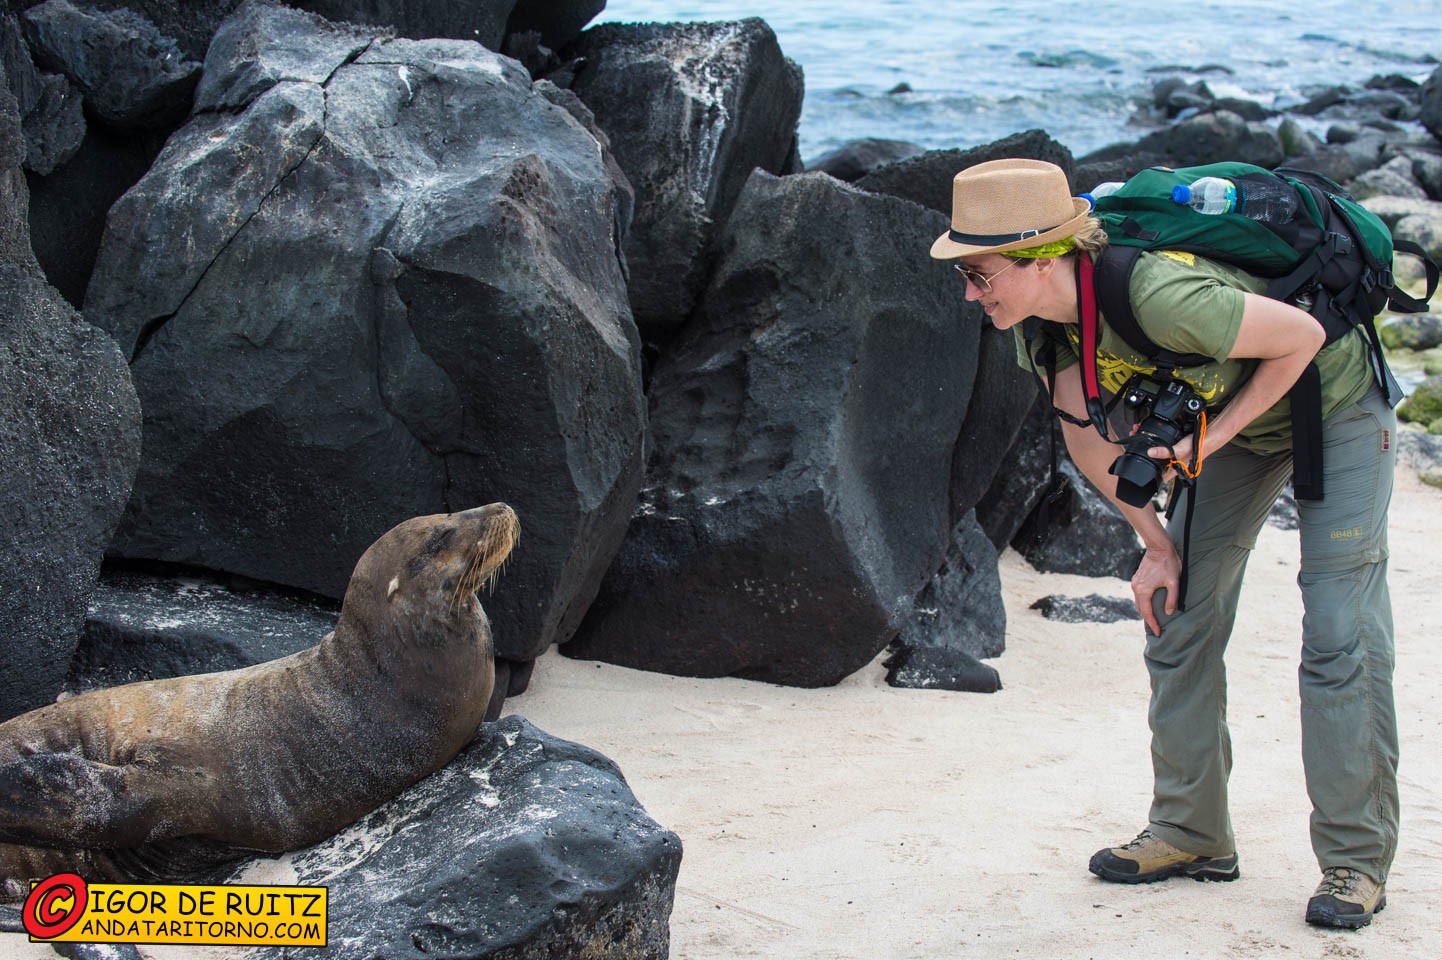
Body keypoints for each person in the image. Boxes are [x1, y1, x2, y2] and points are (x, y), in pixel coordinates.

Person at [929, 158, 1398, 929]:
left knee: (1339, 630)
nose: (971, 294)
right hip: (1235, 423)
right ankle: (1192, 831)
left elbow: (1303, 337)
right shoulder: (1045, 330)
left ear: (1041, 257)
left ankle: (1355, 861)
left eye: (980, 275)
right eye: (965, 276)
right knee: (1176, 614)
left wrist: (1212, 442)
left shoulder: (1151, 291)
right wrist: (1155, 543)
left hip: (1334, 404)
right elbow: (1087, 439)